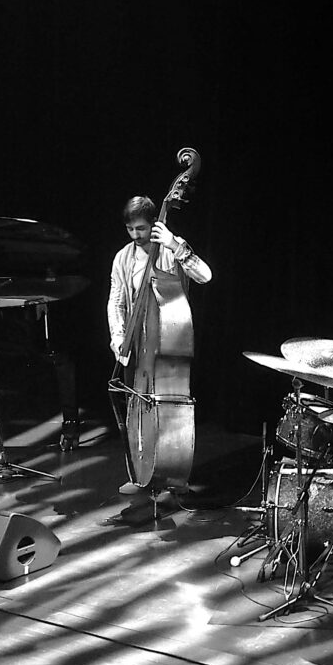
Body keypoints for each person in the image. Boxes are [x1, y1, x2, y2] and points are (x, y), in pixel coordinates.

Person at [107, 196, 212, 493]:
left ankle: (173, 473)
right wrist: (118, 338)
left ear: (153, 223)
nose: (135, 235)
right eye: (130, 229)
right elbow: (116, 302)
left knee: (169, 415)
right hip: (138, 348)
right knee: (136, 409)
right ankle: (141, 473)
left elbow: (204, 276)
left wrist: (175, 245)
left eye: (141, 228)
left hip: (169, 345)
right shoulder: (123, 258)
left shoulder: (170, 247)